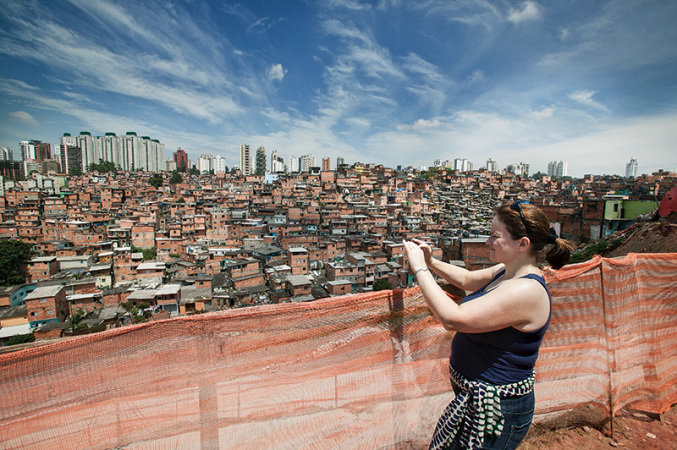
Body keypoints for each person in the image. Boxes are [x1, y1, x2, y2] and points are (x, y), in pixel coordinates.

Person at [403, 200, 574, 450]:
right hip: (480, 400)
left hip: (498, 411)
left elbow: (453, 318)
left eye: (495, 236)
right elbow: (466, 278)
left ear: (522, 244)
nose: (487, 242)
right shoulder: (507, 272)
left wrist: (419, 268)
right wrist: (431, 261)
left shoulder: (526, 290)